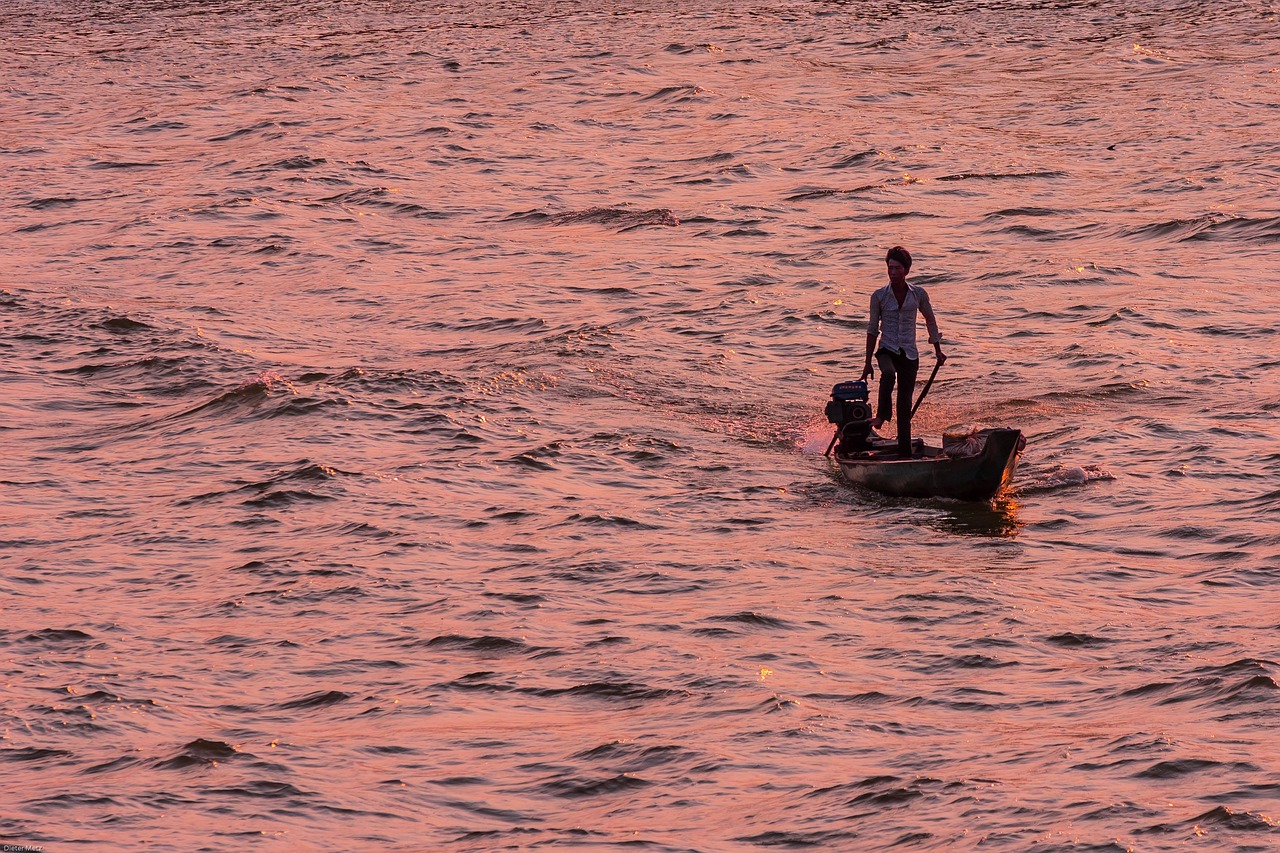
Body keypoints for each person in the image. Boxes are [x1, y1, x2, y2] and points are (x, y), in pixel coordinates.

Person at [860, 246, 947, 458]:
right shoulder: (879, 296)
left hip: (909, 354)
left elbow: (930, 321)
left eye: (897, 268)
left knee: (904, 406)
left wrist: (938, 350)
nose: (892, 272)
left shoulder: (918, 294)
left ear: (906, 270)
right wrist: (867, 362)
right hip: (886, 350)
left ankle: (905, 453)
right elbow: (872, 329)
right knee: (888, 374)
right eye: (890, 268)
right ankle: (881, 416)